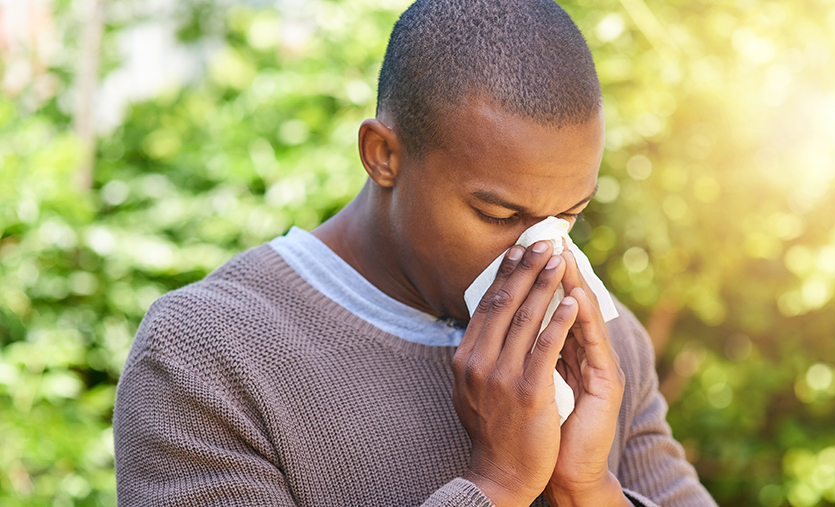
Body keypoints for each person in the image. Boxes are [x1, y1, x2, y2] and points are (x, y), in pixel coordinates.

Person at [113, 0, 718, 506]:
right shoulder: (207, 354)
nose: (543, 253)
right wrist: (497, 484)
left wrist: (589, 488)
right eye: (501, 215)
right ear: (384, 156)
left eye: (569, 215)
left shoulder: (604, 349)